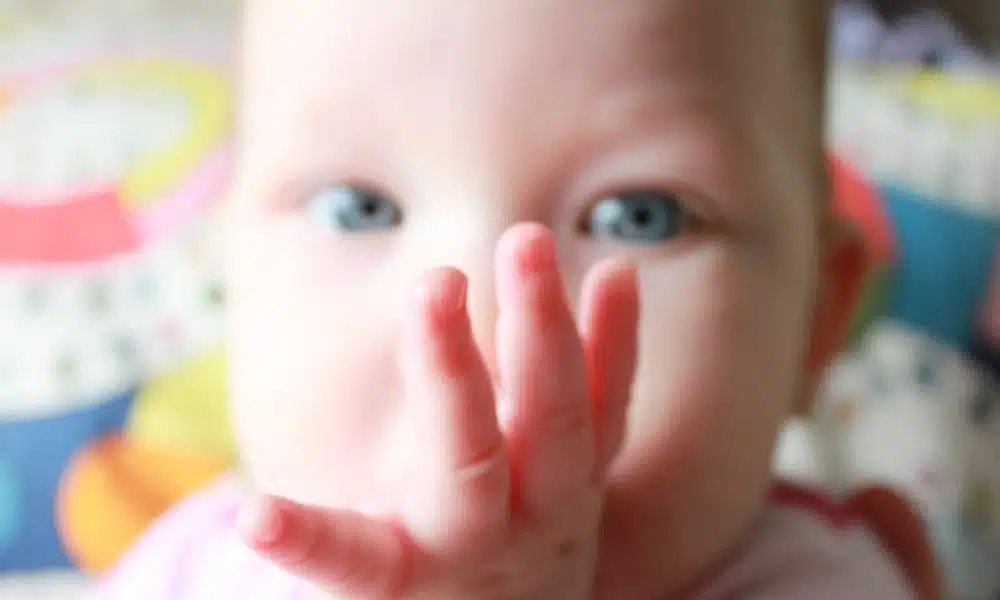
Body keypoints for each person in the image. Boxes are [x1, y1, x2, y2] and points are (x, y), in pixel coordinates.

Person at [89, 0, 942, 597]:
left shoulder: (821, 584)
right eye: (360, 209)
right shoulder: (197, 562)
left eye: (636, 218)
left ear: (813, 324)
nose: (489, 327)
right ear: (229, 273)